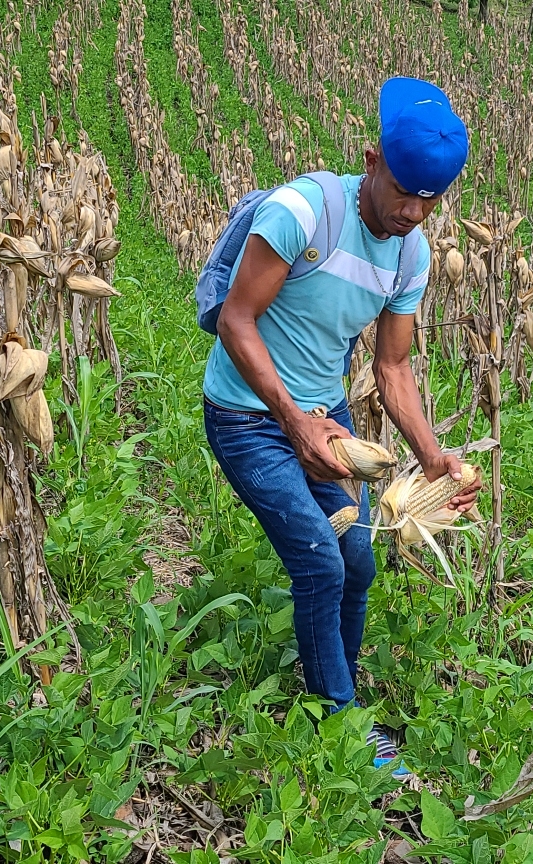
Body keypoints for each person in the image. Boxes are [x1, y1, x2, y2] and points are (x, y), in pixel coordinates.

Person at [201, 77, 482, 779]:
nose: (413, 212)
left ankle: (339, 696)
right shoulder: (305, 211)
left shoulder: (409, 256)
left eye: (430, 200)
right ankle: (342, 722)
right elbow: (237, 321)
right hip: (247, 416)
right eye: (404, 192)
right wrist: (292, 420)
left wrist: (434, 459)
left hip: (327, 423)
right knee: (321, 561)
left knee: (358, 559)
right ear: (371, 159)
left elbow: (391, 370)